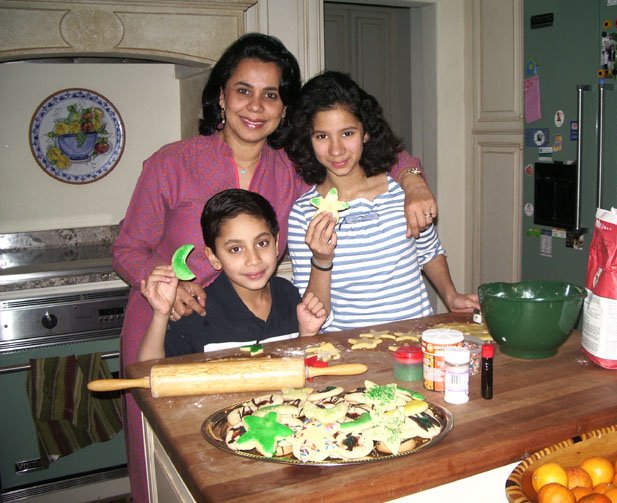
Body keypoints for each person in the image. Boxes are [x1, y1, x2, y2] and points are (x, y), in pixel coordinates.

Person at [112, 33, 436, 502]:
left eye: (272, 94)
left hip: (247, 336)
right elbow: (128, 247)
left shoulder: (291, 167)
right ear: (221, 95)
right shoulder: (171, 163)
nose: (256, 106)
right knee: (166, 465)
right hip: (165, 324)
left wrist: (414, 180)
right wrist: (164, 287)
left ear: (286, 109)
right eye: (243, 90)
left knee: (249, 457)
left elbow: (370, 154)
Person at [285, 71, 480, 332]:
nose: (336, 150)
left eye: (347, 133)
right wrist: (321, 259)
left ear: (366, 132)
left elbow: (429, 252)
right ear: (308, 140)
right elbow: (314, 310)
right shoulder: (303, 214)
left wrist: (451, 295)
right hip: (347, 348)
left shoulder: (402, 193)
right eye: (322, 136)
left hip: (416, 338)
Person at [137, 189, 326, 361]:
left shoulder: (287, 295)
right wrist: (160, 315)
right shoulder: (199, 310)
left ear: (276, 245)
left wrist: (307, 335)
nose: (253, 259)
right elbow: (148, 375)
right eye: (236, 249)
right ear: (214, 258)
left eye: (262, 243)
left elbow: (299, 367)